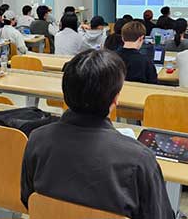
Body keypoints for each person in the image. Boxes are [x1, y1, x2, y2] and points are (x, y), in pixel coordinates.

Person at [20, 49, 174, 219]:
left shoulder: (37, 139)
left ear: (65, 94)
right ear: (115, 99)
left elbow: (28, 199)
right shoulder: (140, 159)